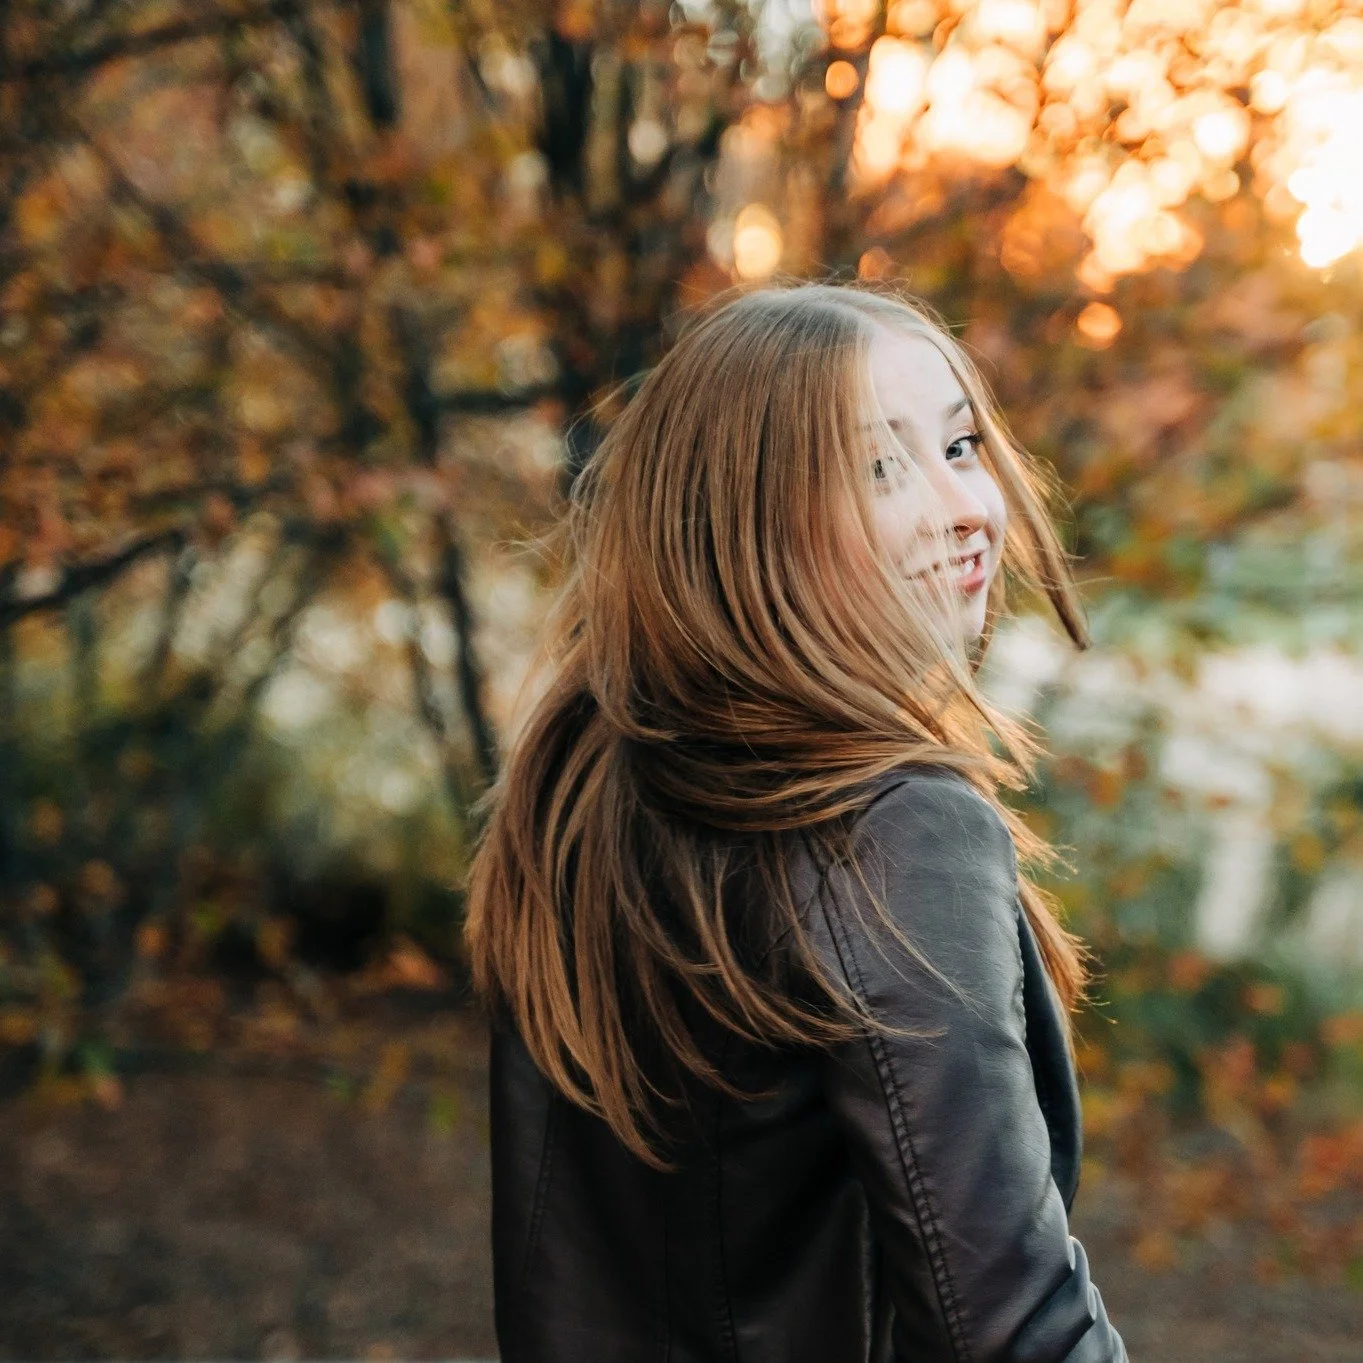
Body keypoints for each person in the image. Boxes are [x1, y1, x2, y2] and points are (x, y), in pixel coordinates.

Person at [463, 282, 1128, 1362]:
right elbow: (1010, 1328)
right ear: (750, 521)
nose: (960, 505)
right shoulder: (892, 825)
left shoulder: (579, 786)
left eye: (959, 446)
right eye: (879, 466)